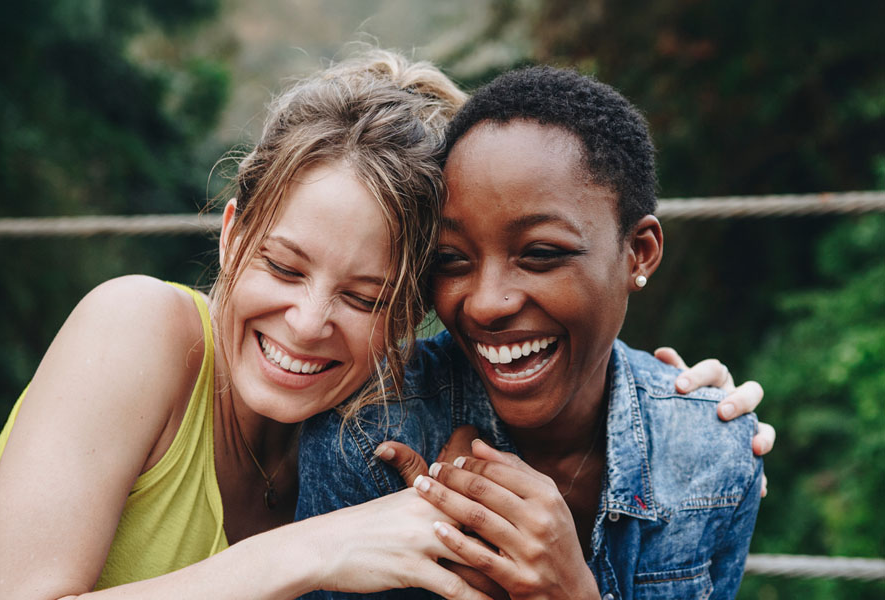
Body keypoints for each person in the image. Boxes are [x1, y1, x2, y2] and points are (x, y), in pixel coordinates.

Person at [0, 51, 764, 600]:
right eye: (283, 267)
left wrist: (666, 407)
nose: (308, 321)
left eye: (365, 298)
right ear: (231, 231)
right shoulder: (139, 327)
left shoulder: (359, 433)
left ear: (410, 313)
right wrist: (307, 553)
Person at [297, 66, 765, 600]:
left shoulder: (714, 457)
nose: (487, 303)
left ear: (639, 253)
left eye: (540, 254)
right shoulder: (368, 434)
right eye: (452, 260)